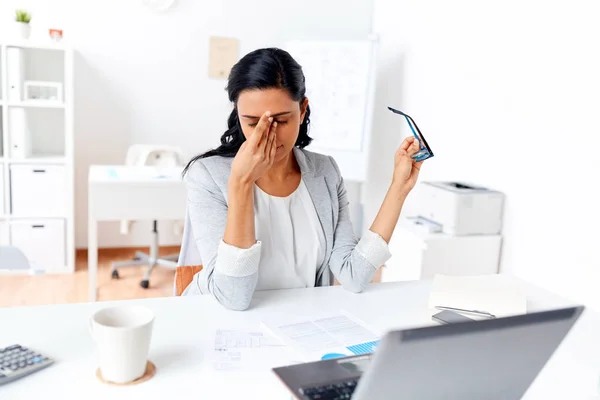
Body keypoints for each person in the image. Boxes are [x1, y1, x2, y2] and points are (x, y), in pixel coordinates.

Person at [181, 47, 423, 310]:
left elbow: (354, 275)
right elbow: (233, 298)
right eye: (252, 123)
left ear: (303, 110)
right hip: (219, 321)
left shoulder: (325, 172)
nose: (268, 135)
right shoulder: (207, 176)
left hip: (299, 323)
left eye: (282, 121)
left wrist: (399, 187)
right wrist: (241, 182)